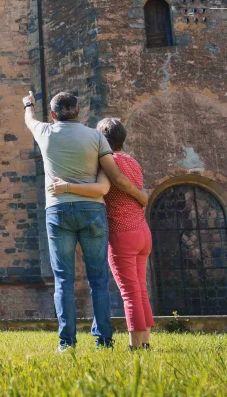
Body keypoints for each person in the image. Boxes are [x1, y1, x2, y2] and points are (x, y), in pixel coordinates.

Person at [23, 91, 148, 351]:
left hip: (58, 211)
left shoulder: (44, 132)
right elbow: (114, 177)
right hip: (92, 211)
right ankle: (104, 340)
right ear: (79, 110)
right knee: (98, 279)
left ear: (54, 114)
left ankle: (66, 343)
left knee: (63, 279)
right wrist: (138, 194)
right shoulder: (96, 137)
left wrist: (28, 104)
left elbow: (29, 120)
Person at [48, 117, 154, 350]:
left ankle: (136, 345)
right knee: (141, 288)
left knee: (129, 292)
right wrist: (141, 197)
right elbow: (137, 188)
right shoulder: (133, 161)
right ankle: (145, 340)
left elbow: (106, 186)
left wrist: (66, 186)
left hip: (122, 233)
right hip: (142, 232)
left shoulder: (109, 163)